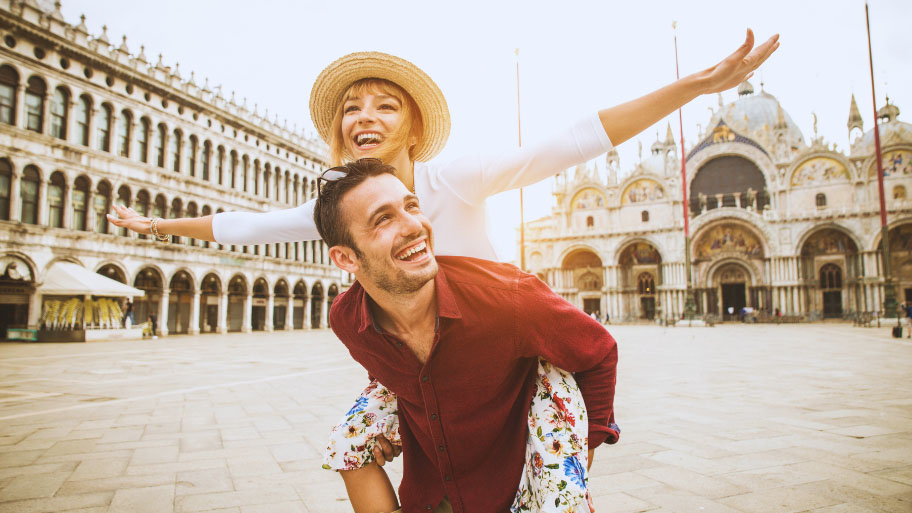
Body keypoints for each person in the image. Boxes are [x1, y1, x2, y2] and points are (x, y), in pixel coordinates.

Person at [107, 32, 778, 508]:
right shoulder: (338, 208)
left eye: (385, 104)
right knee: (350, 439)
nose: (364, 115)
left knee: (550, 492)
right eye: (352, 107)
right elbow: (250, 226)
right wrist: (155, 226)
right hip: (421, 357)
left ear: (414, 127)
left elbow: (572, 140)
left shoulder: (452, 177)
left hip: (502, 342)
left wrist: (693, 87)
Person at [313, 159, 618, 512]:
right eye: (383, 218)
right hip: (428, 497)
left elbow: (599, 350)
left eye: (411, 206)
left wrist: (585, 445)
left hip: (512, 492)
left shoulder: (508, 298)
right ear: (346, 258)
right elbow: (382, 367)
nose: (415, 226)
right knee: (345, 443)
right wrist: (385, 425)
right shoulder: (348, 320)